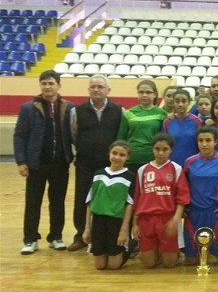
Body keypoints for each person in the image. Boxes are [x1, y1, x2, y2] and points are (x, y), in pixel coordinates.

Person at [15, 70, 75, 255]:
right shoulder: (28, 108)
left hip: (60, 163)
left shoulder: (69, 108)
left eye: (51, 83)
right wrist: (21, 161)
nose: (47, 87)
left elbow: (75, 133)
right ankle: (30, 239)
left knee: (57, 202)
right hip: (36, 163)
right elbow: (19, 136)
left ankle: (56, 237)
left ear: (59, 85)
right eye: (44, 83)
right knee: (33, 202)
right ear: (40, 85)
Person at [69, 74, 123, 251]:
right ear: (88, 90)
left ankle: (108, 235)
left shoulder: (119, 111)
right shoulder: (77, 111)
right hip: (85, 164)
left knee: (109, 200)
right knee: (82, 199)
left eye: (100, 87)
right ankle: (81, 236)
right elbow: (74, 135)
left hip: (109, 166)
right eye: (93, 87)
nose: (96, 90)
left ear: (108, 90)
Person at [133, 133, 189, 269]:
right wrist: (135, 224)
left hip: (167, 218)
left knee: (169, 264)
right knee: (148, 264)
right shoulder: (142, 170)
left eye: (165, 149)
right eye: (157, 149)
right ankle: (155, 251)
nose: (161, 153)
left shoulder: (176, 169)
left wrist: (175, 220)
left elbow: (182, 198)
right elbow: (138, 200)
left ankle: (174, 253)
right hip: (146, 219)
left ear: (171, 150)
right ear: (152, 149)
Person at [182, 126, 218, 266]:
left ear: (215, 141)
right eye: (200, 140)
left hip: (215, 213)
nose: (204, 144)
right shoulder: (189, 162)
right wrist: (183, 207)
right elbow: (183, 186)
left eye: (208, 140)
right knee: (191, 261)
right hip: (193, 214)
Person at [82, 140, 134, 270]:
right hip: (98, 222)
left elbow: (129, 205)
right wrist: (87, 228)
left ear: (127, 157)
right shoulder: (98, 175)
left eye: (122, 155)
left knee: (113, 266)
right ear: (109, 153)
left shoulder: (130, 177)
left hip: (116, 222)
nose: (117, 157)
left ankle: (131, 245)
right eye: (114, 153)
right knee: (100, 266)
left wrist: (124, 230)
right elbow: (89, 202)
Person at [117, 79, 167, 174]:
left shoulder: (162, 114)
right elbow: (121, 138)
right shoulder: (128, 113)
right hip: (131, 160)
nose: (144, 95)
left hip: (153, 160)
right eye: (141, 92)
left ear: (155, 94)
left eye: (148, 92)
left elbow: (164, 139)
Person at [163, 88, 202, 167]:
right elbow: (165, 145)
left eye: (184, 101)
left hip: (192, 165)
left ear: (189, 102)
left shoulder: (197, 122)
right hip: (173, 164)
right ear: (173, 103)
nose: (180, 104)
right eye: (177, 101)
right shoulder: (167, 122)